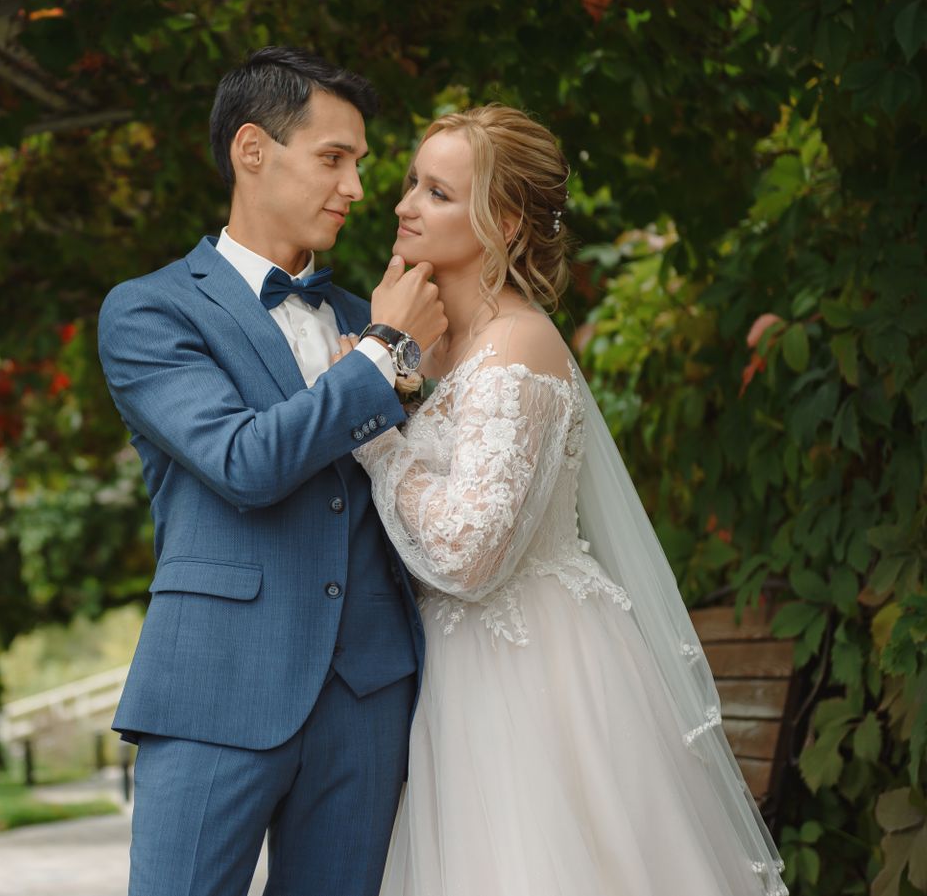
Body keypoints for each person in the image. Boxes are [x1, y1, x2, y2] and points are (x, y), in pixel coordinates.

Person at [331, 105, 788, 895]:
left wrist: (374, 433)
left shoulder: (517, 342)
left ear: (504, 223)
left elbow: (468, 553)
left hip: (532, 675)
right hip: (460, 673)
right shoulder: (438, 345)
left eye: (437, 192)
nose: (403, 205)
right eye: (412, 182)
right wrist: (396, 375)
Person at [96, 47, 448, 896]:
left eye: (360, 163)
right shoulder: (149, 310)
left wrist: (391, 352)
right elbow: (243, 461)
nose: (357, 187)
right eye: (334, 158)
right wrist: (383, 353)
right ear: (252, 150)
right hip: (214, 684)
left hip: (367, 692)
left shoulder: (371, 314)